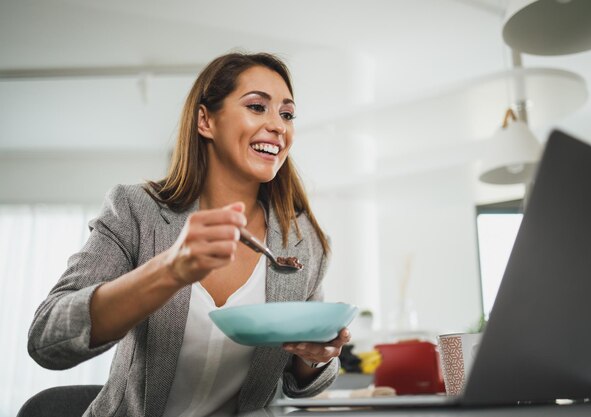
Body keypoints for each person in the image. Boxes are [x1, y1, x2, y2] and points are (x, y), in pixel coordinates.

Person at [27, 52, 350, 417]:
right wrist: (169, 270)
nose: (278, 126)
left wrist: (316, 358)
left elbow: (304, 383)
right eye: (258, 107)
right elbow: (48, 340)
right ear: (206, 120)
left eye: (287, 114)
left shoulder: (303, 240)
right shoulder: (136, 210)